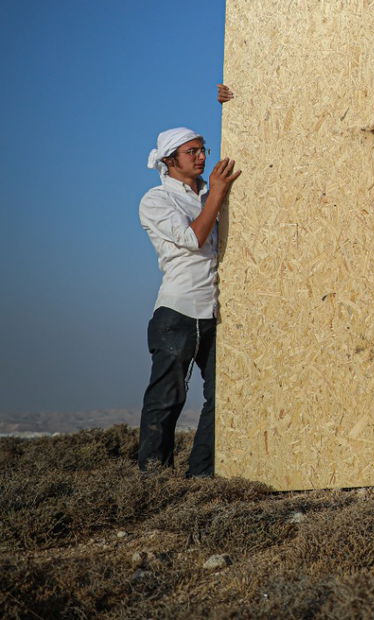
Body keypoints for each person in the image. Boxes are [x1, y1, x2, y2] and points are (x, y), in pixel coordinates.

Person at [136, 84, 240, 476]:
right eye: (191, 152)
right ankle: (153, 479)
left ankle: (201, 475)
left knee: (221, 397)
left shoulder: (209, 193)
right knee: (166, 398)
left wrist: (237, 100)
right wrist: (217, 192)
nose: (200, 157)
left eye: (202, 150)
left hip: (213, 313)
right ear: (170, 160)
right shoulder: (156, 200)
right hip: (176, 312)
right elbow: (194, 238)